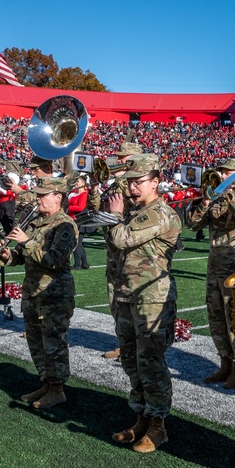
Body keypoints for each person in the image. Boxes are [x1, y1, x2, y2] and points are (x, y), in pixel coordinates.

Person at [106, 155, 182, 454]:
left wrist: (114, 216)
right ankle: (140, 416)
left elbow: (122, 239)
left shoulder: (160, 213)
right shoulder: (138, 212)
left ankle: (157, 425)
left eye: (138, 183)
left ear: (155, 181)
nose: (132, 189)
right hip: (128, 294)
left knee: (151, 363)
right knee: (131, 360)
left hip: (152, 297)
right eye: (129, 183)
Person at [0, 176, 79, 409]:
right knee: (36, 342)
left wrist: (26, 242)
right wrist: (9, 256)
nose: (38, 199)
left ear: (58, 198)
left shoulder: (64, 225)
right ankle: (45, 383)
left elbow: (53, 260)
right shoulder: (35, 222)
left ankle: (57, 389)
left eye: (43, 195)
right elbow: (23, 257)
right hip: (33, 291)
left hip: (54, 293)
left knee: (53, 343)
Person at [184, 158, 235, 389]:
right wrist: (205, 199)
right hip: (214, 268)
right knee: (216, 319)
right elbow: (193, 224)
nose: (222, 177)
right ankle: (224, 362)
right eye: (221, 173)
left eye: (227, 174)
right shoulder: (215, 199)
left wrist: (228, 193)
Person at [91, 142, 142, 360]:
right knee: (115, 300)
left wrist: (120, 178)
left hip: (130, 252)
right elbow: (96, 209)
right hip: (113, 251)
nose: (119, 161)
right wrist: (94, 188)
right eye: (119, 157)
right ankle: (123, 344)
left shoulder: (135, 184)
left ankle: (136, 347)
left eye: (124, 157)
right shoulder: (116, 183)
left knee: (132, 302)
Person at [68, 174, 91, 270]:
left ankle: (77, 264)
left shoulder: (84, 194)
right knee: (79, 242)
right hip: (74, 219)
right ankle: (84, 263)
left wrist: (67, 207)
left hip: (79, 220)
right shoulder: (74, 193)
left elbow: (80, 207)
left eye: (78, 181)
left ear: (83, 183)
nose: (76, 183)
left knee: (76, 242)